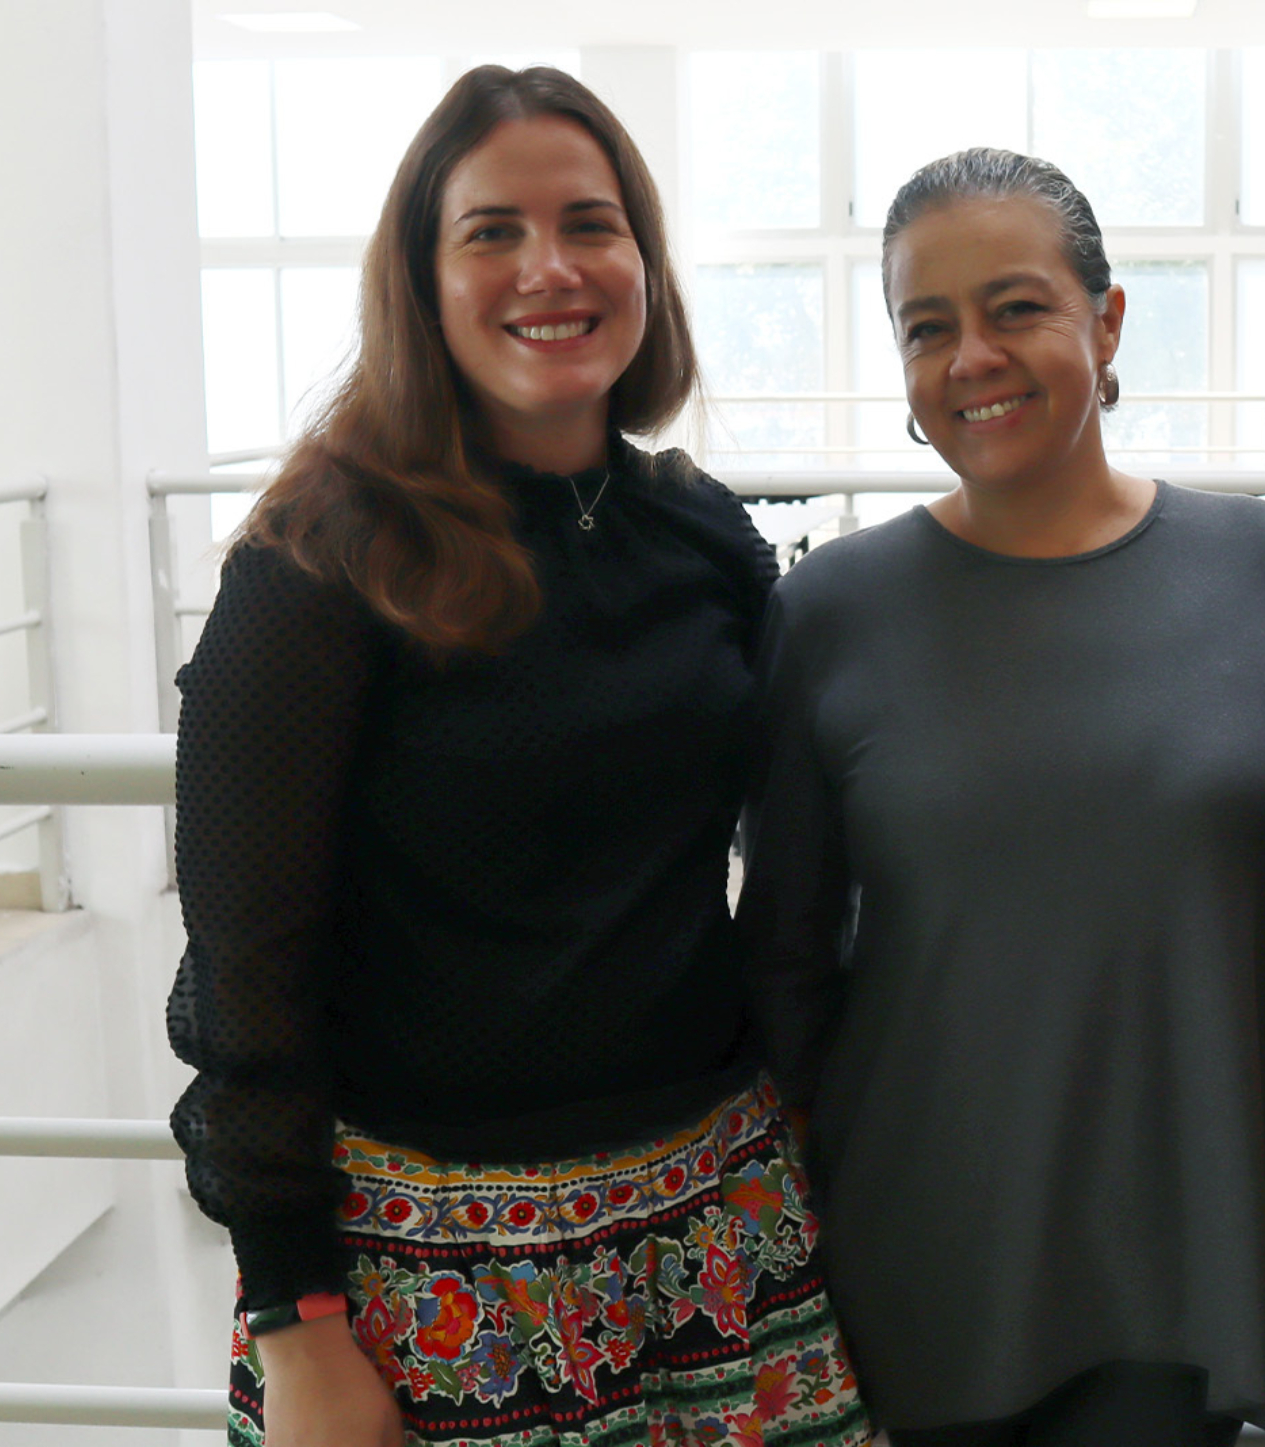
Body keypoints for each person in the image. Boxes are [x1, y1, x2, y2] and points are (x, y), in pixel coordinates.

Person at [168, 65, 870, 1447]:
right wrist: (295, 1318)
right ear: (421, 283)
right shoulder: (318, 560)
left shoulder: (704, 535)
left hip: (715, 1225)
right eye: (491, 230)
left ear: (645, 265)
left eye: (590, 223)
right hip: (419, 1272)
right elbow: (249, 971)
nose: (549, 268)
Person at [737, 147, 1265, 1447]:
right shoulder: (830, 609)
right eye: (927, 326)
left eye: (1014, 307)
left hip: (1190, 1271)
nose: (973, 357)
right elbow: (784, 961)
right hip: (924, 1265)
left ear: (1107, 319)